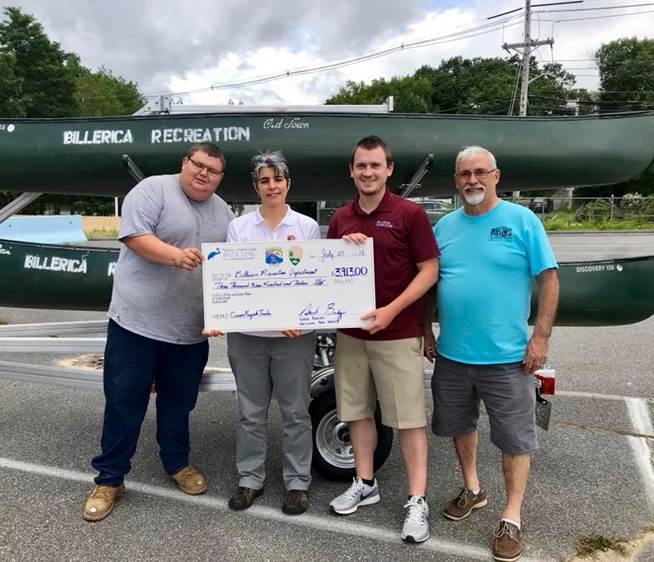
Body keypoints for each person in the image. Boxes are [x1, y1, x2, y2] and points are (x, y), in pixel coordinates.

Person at [82, 142, 235, 522]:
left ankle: (177, 463)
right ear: (185, 163)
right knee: (123, 403)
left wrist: (226, 311)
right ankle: (109, 478)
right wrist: (175, 255)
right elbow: (134, 236)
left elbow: (233, 269)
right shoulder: (153, 189)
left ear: (220, 177)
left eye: (212, 170)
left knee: (178, 404)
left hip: (188, 332)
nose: (204, 173)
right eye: (198, 165)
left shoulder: (224, 213)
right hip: (136, 326)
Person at [423, 146, 559, 562]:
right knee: (460, 426)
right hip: (453, 354)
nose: (472, 180)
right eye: (464, 173)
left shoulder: (522, 221)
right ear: (456, 181)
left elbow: (549, 281)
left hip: (508, 358)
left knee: (515, 439)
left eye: (480, 172)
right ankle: (473, 488)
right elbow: (430, 281)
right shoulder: (444, 227)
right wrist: (424, 326)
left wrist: (541, 337)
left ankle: (512, 515)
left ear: (496, 176)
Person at [327, 136, 439, 542]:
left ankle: (416, 499)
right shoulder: (341, 218)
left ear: (389, 169)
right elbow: (325, 272)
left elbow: (429, 271)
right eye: (361, 166)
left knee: (408, 419)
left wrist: (392, 310)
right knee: (356, 412)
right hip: (352, 334)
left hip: (397, 333)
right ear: (352, 170)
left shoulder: (410, 214)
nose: (368, 172)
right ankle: (365, 481)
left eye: (376, 165)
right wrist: (340, 248)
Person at [222, 151, 320, 515]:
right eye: (264, 180)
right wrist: (221, 312)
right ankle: (250, 479)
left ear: (287, 184)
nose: (272, 186)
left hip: (294, 336)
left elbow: (312, 280)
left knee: (296, 411)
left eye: (277, 179)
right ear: (256, 187)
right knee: (250, 411)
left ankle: (297, 483)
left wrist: (298, 313)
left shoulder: (307, 227)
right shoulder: (239, 228)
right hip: (248, 334)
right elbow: (232, 281)